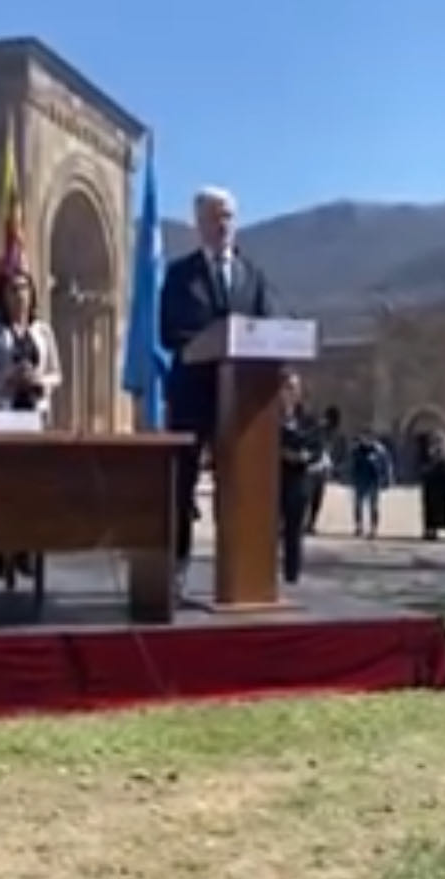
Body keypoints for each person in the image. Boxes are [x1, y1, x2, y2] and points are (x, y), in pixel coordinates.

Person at [159, 186, 270, 594]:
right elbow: (169, 331)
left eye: (229, 216)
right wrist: (211, 342)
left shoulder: (252, 275)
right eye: (215, 217)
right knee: (181, 484)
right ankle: (175, 568)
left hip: (241, 399)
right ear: (199, 224)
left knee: (240, 484)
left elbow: (266, 327)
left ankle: (240, 570)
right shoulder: (178, 275)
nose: (223, 225)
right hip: (193, 394)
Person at [0, 266, 62, 578]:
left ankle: (27, 549)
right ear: (3, 296)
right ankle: (0, 548)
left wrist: (40, 380)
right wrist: (4, 378)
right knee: (3, 485)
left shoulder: (43, 331)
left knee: (34, 486)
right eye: (13, 289)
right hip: (3, 413)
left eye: (25, 289)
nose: (19, 295)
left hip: (35, 414)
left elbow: (56, 373)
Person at [279, 370, 318, 584]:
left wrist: (306, 456)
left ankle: (292, 574)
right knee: (270, 530)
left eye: (294, 388)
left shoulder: (307, 418)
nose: (291, 393)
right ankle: (261, 576)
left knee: (294, 530)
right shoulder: (269, 417)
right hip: (274, 479)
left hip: (298, 480)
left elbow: (317, 446)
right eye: (287, 388)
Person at [349, 429, 392, 539]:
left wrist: (387, 479)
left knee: (373, 506)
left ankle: (373, 529)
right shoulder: (356, 450)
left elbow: (386, 465)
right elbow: (351, 465)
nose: (366, 440)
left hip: (374, 480)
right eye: (364, 437)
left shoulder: (379, 450)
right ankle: (359, 526)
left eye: (368, 437)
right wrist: (350, 478)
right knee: (358, 504)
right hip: (360, 480)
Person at [304, 406, 340, 534]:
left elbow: (329, 449)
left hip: (321, 468)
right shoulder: (318, 429)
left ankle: (310, 524)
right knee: (310, 498)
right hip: (313, 467)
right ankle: (307, 523)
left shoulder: (330, 432)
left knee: (316, 499)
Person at [419, 430, 445, 541]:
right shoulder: (427, 454)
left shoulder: (444, 457)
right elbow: (422, 468)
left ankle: (433, 530)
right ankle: (430, 531)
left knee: (439, 511)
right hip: (430, 486)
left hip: (441, 487)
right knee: (429, 510)